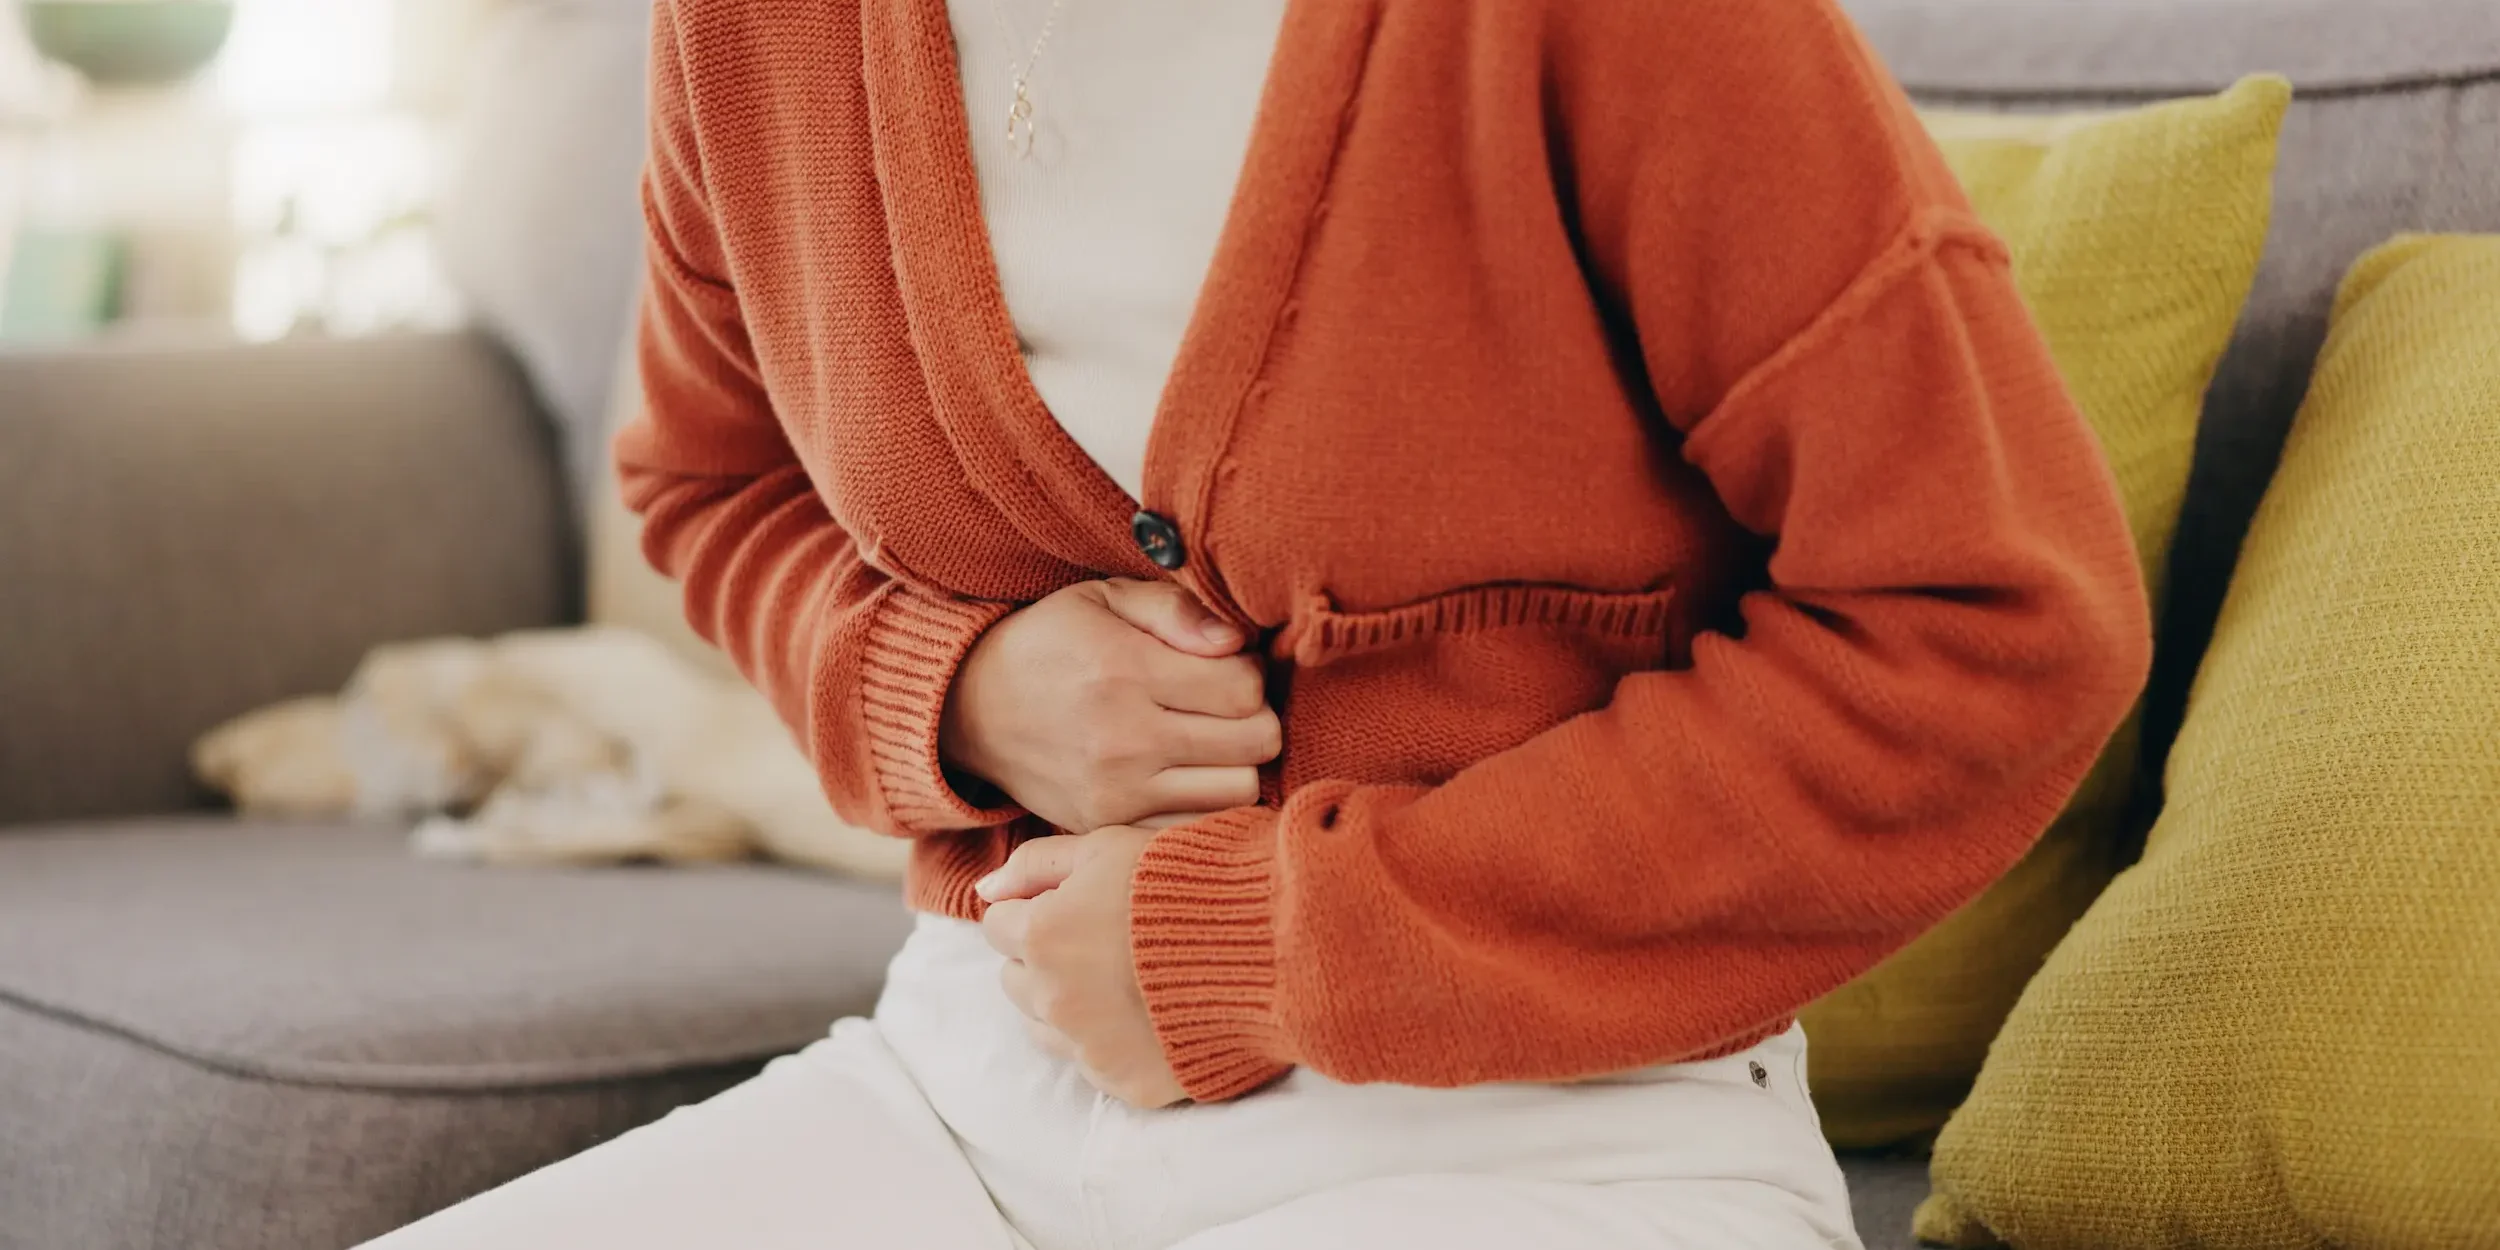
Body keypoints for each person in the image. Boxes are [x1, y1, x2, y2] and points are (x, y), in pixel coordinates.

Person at [367, 0, 2149, 1246]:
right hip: (972, 1089)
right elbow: (711, 479)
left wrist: (1268, 945)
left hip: (1550, 1137)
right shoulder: (755, 26)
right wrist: (954, 688)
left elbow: (1995, 621)